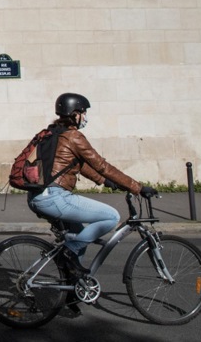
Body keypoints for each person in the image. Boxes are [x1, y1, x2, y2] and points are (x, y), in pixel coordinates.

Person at [27, 92, 157, 276]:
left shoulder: (53, 133)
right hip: (54, 198)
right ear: (75, 114)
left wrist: (106, 181)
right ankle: (68, 252)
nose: (85, 118)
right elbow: (101, 165)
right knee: (110, 217)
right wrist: (138, 187)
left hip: (38, 196)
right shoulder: (73, 136)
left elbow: (77, 165)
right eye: (84, 113)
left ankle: (73, 287)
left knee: (80, 234)